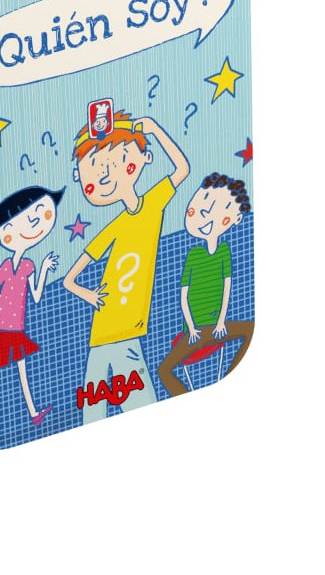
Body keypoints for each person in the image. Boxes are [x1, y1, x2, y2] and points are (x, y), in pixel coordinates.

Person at [63, 108, 189, 423]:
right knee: (94, 412)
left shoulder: (153, 202)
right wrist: (89, 295)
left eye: (117, 160)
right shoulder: (115, 227)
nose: (106, 174)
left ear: (144, 158)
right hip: (102, 329)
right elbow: (68, 279)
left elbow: (182, 168)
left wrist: (154, 129)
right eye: (93, 168)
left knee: (137, 404)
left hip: (128, 329)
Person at [0, 186, 63, 441]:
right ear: (5, 234)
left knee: (22, 371)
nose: (35, 224)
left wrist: (44, 269)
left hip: (16, 328)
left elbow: (37, 295)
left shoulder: (28, 265)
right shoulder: (5, 267)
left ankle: (34, 414)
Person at [158, 172, 254, 396]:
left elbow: (227, 290)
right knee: (164, 370)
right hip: (196, 331)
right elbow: (183, 297)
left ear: (234, 219)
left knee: (250, 329)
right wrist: (191, 328)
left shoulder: (224, 251)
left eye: (211, 209)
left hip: (216, 327)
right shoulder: (194, 255)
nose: (202, 214)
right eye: (200, 206)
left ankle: (229, 376)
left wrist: (221, 322)